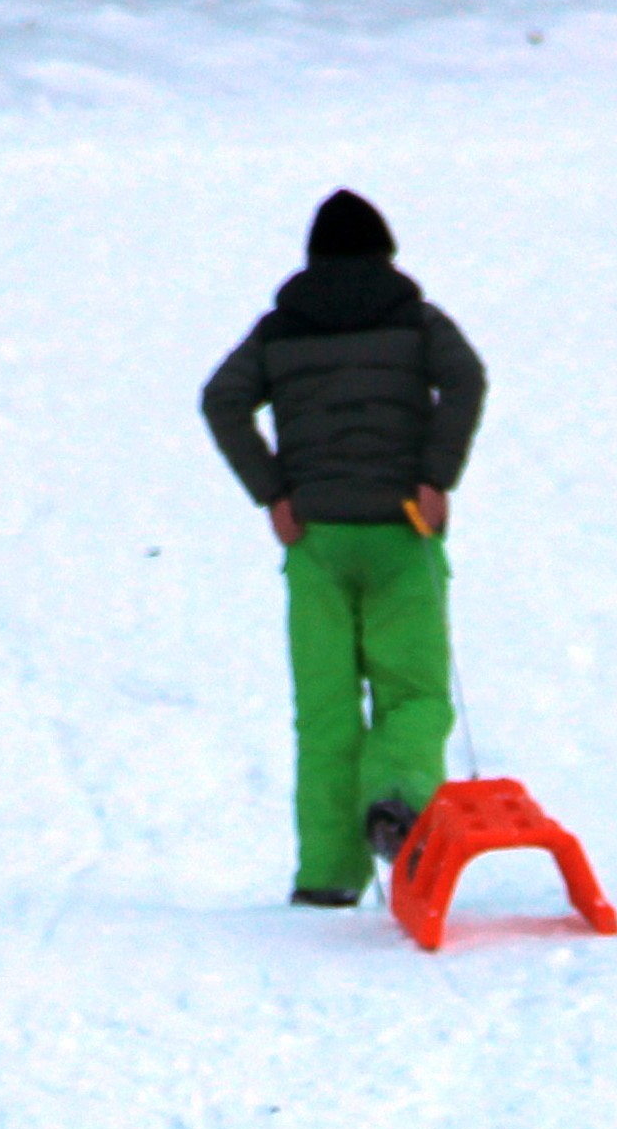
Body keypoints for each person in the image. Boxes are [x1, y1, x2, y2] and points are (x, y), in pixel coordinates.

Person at [200, 192, 487, 906]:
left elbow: (221, 400)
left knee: (325, 708)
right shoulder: (416, 319)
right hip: (403, 532)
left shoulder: (278, 330)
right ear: (385, 251)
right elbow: (466, 379)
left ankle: (326, 876)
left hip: (318, 539)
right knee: (413, 694)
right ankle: (395, 801)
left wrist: (273, 491)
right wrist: (434, 476)